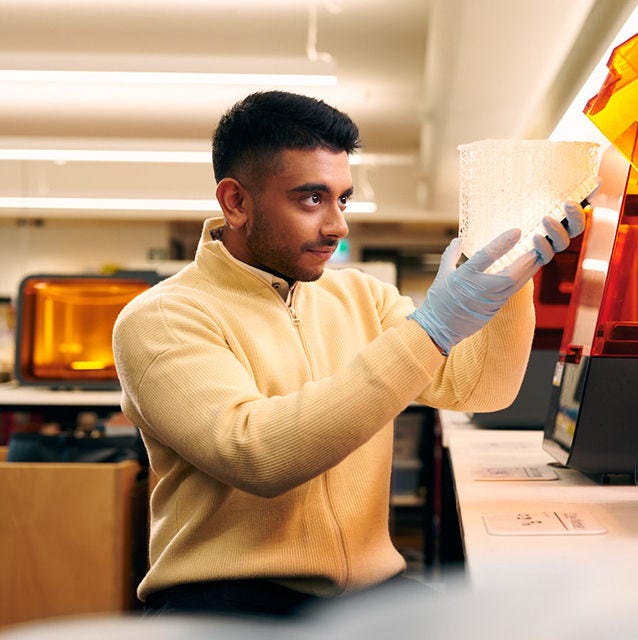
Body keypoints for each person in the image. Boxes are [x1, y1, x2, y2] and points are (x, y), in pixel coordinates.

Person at [112, 90, 587, 618]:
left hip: (369, 591)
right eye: (311, 199)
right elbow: (258, 455)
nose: (338, 226)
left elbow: (480, 390)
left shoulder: (360, 295)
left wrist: (511, 276)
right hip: (230, 604)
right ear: (236, 202)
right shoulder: (162, 318)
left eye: (343, 199)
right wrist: (430, 329)